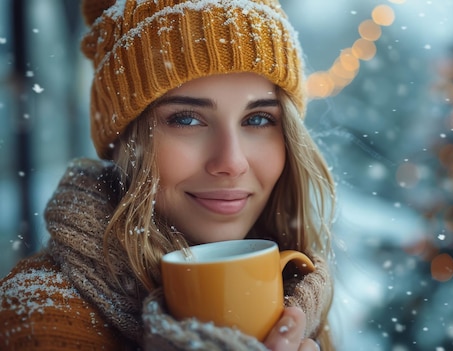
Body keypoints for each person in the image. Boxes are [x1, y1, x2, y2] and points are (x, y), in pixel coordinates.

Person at [0, 0, 336, 350]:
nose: (232, 162)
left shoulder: (299, 290)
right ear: (124, 142)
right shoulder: (37, 317)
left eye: (258, 119)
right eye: (187, 119)